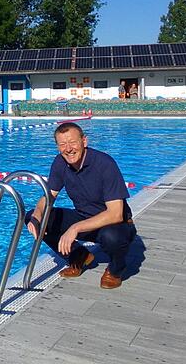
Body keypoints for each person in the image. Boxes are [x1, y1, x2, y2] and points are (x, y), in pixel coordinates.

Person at [24, 122, 136, 289]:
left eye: (72, 142)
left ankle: (115, 269)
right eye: (62, 144)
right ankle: (79, 256)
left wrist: (74, 228)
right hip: (85, 218)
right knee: (34, 216)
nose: (68, 149)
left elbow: (115, 214)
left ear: (84, 141)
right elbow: (48, 197)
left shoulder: (104, 164)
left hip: (115, 224)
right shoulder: (60, 163)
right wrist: (37, 216)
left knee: (112, 237)